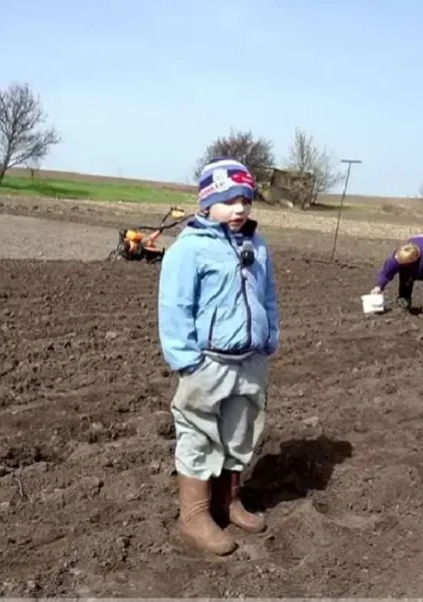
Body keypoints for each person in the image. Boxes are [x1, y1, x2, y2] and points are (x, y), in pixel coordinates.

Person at [157, 157, 279, 556]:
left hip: (250, 361)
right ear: (207, 203)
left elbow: (268, 297)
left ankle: (228, 501)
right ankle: (193, 515)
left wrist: (269, 337)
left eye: (246, 199)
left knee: (241, 433)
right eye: (229, 200)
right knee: (198, 434)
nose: (240, 208)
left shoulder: (257, 246)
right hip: (207, 363)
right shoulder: (189, 249)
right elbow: (175, 308)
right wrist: (186, 361)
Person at [370, 231, 423, 316]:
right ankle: (403, 302)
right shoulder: (398, 256)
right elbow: (386, 272)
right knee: (405, 275)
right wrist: (378, 287)